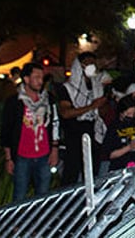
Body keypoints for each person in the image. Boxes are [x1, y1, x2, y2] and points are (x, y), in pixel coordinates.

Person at [0, 63, 60, 202]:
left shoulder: (48, 99)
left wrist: (55, 149)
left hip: (44, 155)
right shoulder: (14, 102)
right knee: (20, 195)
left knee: (43, 196)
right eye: (36, 77)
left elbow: (55, 123)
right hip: (22, 156)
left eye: (42, 77)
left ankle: (40, 222)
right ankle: (18, 223)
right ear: (26, 79)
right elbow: (6, 131)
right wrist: (8, 158)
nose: (40, 81)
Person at [55, 53, 106, 186]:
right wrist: (91, 106)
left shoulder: (97, 87)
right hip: (74, 134)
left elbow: (101, 111)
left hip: (93, 132)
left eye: (93, 62)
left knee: (92, 172)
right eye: (88, 62)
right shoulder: (67, 88)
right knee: (72, 172)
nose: (91, 66)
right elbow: (66, 113)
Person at [102, 95, 135, 177]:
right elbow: (110, 154)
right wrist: (128, 148)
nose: (131, 116)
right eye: (128, 113)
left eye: (133, 113)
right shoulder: (114, 127)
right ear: (121, 112)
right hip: (122, 167)